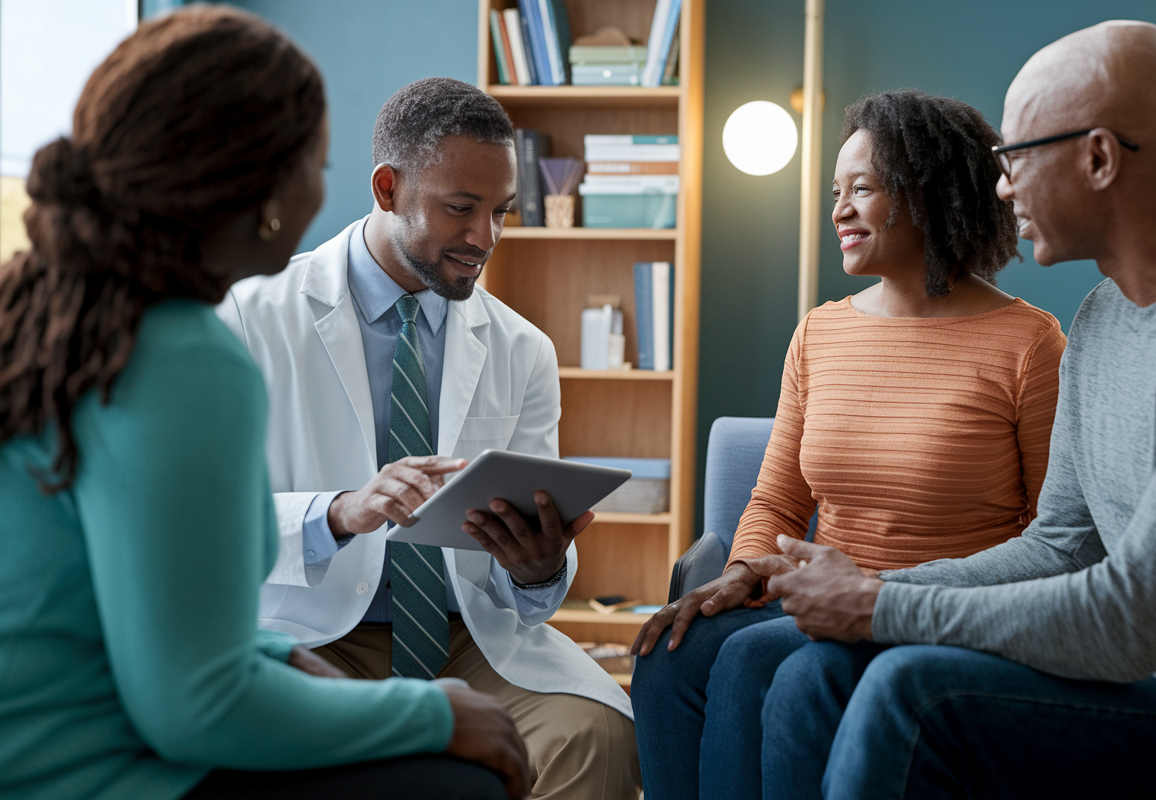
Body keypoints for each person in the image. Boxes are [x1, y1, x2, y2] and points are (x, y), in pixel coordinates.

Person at [0, 8, 528, 800]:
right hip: (92, 766)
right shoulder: (188, 357)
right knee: (462, 784)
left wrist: (289, 664)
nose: (326, 188)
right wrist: (433, 715)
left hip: (57, 729)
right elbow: (195, 705)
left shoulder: (59, 313)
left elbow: (150, 605)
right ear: (257, 188)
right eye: (317, 160)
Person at [761, 20, 1156, 800]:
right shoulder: (1103, 317)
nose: (1001, 187)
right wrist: (860, 587)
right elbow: (1060, 545)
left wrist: (879, 604)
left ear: (1097, 157)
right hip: (1144, 680)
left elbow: (1130, 618)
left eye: (1017, 158)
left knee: (915, 690)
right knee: (815, 673)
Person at [629, 90, 1067, 800]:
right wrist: (744, 570)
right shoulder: (819, 333)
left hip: (933, 614)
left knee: (754, 664)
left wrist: (899, 597)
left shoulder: (1030, 345)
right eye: (836, 191)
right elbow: (778, 498)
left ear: (929, 194)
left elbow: (1053, 534)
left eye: (861, 188)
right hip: (809, 603)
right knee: (665, 654)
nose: (839, 210)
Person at [216, 76, 640, 800]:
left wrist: (538, 567)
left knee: (595, 732)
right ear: (388, 188)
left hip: (465, 638)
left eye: (501, 212)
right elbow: (208, 521)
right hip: (310, 634)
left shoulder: (524, 349)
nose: (485, 239)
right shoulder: (251, 316)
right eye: (459, 209)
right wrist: (340, 511)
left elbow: (525, 598)